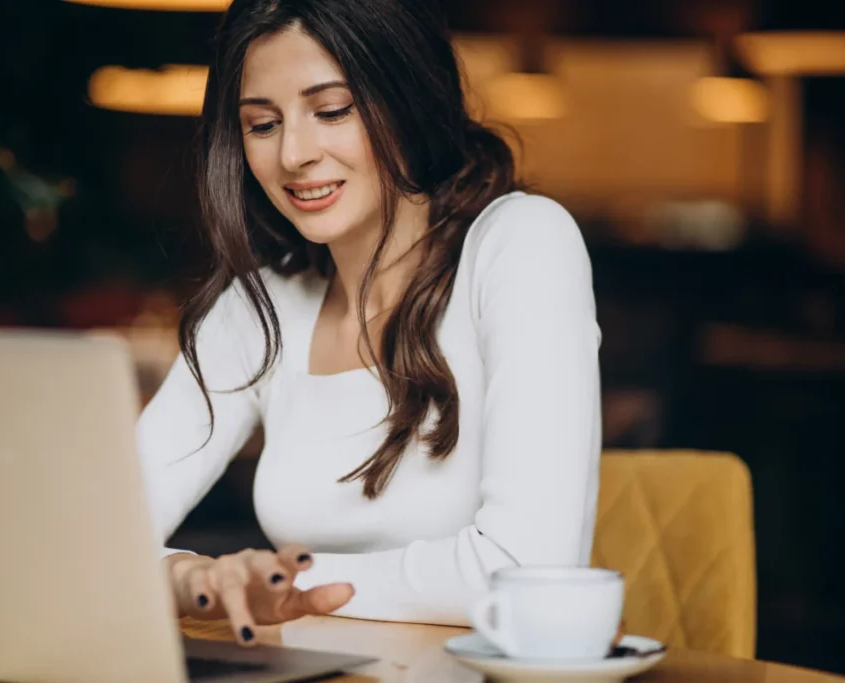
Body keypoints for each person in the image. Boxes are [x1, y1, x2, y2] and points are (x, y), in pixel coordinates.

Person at [137, 0, 602, 646]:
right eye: (262, 124)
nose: (294, 154)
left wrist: (283, 583)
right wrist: (193, 577)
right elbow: (96, 538)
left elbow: (526, 571)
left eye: (331, 110)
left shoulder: (522, 244)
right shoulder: (260, 308)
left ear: (407, 96)